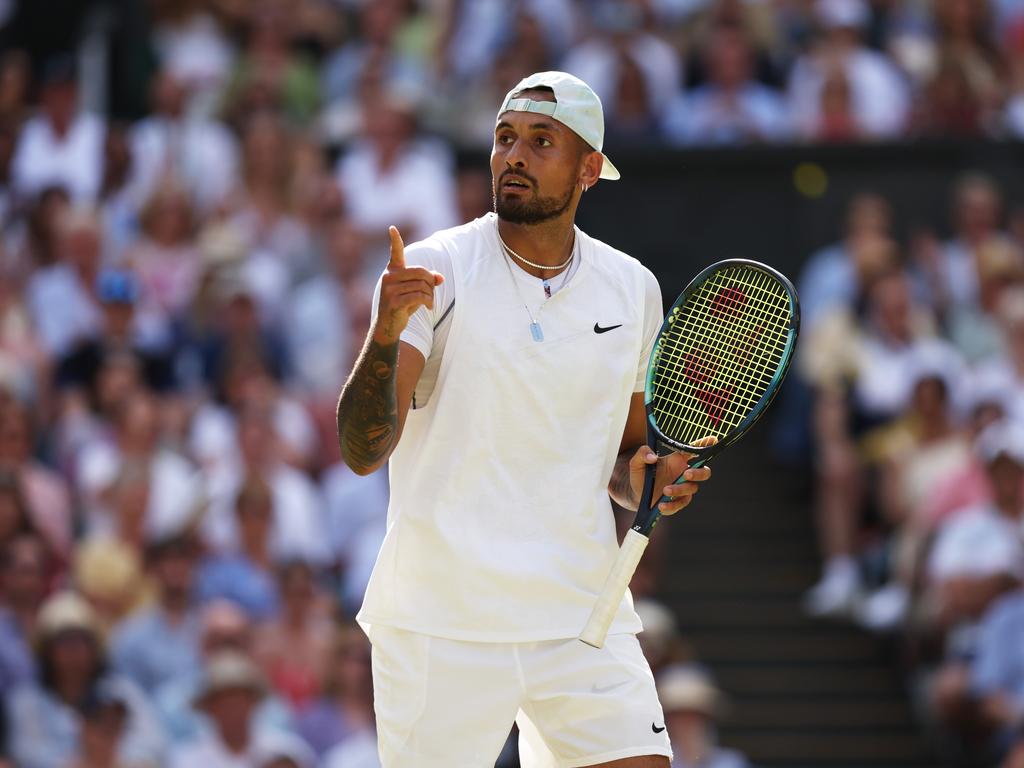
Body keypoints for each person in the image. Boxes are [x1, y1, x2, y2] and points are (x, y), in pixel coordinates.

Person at [335, 71, 713, 767]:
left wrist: (652, 483)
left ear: (589, 170)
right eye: (505, 137)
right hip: (440, 621)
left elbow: (624, 466)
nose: (515, 155)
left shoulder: (634, 287)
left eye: (543, 141)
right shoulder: (434, 266)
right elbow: (365, 449)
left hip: (578, 617)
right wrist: (385, 335)